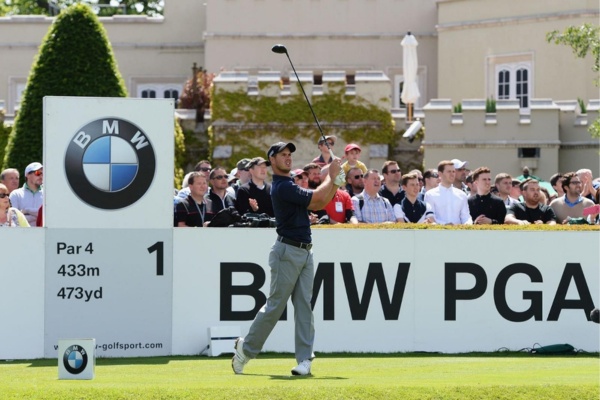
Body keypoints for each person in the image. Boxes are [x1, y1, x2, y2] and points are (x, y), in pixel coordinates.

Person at [232, 141, 342, 376]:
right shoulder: (282, 187)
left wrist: (335, 181)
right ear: (272, 160)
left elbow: (322, 201)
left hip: (305, 250)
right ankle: (246, 349)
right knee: (275, 306)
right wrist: (332, 177)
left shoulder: (290, 184)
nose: (288, 157)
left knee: (304, 307)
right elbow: (316, 199)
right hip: (287, 252)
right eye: (282, 154)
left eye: (290, 154)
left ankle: (304, 360)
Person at [424, 160, 472, 225]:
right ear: (440, 174)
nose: (452, 174)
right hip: (438, 233)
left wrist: (468, 224)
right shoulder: (430, 195)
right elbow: (430, 217)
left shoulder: (462, 195)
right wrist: (445, 225)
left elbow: (466, 217)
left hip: (458, 233)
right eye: (449, 171)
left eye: (453, 171)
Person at [10, 162, 43, 227]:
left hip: (44, 235)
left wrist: (26, 211)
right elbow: (13, 218)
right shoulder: (15, 194)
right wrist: (39, 217)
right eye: (38, 173)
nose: (41, 176)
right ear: (28, 175)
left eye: (42, 173)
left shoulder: (48, 194)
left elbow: (49, 216)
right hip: (21, 235)